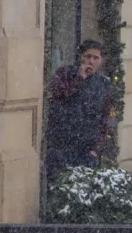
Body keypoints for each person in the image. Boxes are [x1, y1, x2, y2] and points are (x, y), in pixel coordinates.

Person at [44, 39, 114, 183]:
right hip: (61, 148)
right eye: (88, 56)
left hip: (86, 152)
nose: (91, 61)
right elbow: (56, 96)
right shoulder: (64, 74)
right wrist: (79, 79)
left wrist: (96, 149)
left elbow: (105, 118)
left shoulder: (103, 84)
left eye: (96, 58)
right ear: (80, 57)